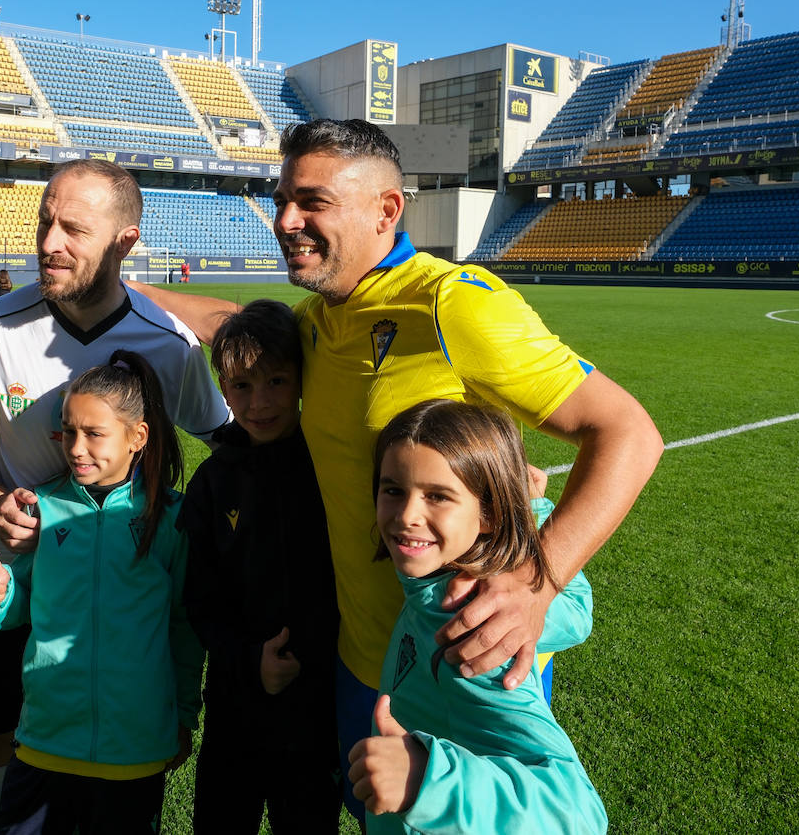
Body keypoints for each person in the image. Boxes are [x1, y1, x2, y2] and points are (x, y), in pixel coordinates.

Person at [130, 118, 662, 820]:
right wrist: (117, 284)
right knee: (375, 815)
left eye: (313, 201)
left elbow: (627, 430)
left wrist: (539, 580)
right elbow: (227, 317)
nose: (285, 220)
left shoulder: (453, 303)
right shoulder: (319, 323)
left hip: (462, 661)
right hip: (360, 657)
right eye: (282, 198)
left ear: (386, 210)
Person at [0, 158, 230, 835]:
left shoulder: (166, 345)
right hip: (13, 574)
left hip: (123, 579)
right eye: (45, 220)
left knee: (109, 755)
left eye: (73, 228)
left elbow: (227, 441)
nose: (48, 241)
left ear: (125, 241)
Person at [347, 399, 606, 834]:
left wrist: (427, 782)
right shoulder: (509, 593)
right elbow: (575, 609)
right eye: (393, 489)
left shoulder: (468, 629)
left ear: (489, 514)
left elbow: (578, 813)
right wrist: (534, 510)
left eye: (437, 496)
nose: (407, 515)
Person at [0, 350, 200, 834]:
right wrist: (1, 601)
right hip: (45, 737)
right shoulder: (42, 506)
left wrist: (183, 715)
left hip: (134, 745)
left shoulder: (172, 518)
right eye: (69, 431)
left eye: (94, 434)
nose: (76, 447)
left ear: (138, 437)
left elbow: (184, 628)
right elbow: (24, 604)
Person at [180, 300, 340, 834]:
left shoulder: (332, 466)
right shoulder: (211, 482)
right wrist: (251, 662)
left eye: (275, 380)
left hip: (318, 704)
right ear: (222, 389)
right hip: (235, 701)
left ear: (300, 380)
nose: (260, 402)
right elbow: (199, 600)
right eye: (241, 386)